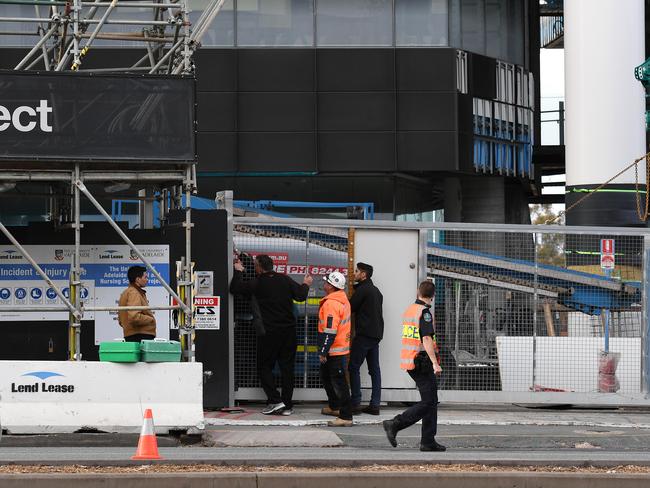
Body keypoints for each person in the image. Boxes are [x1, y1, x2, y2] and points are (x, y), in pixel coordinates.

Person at [230, 254, 313, 416]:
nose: (254, 267)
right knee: (287, 368)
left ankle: (275, 401)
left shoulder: (257, 282)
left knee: (264, 366)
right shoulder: (285, 279)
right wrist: (306, 283)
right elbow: (301, 296)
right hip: (289, 331)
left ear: (259, 267)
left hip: (268, 332)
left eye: (255, 265)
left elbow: (235, 288)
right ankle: (287, 406)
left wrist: (238, 271)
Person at [382, 280, 446, 452]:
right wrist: (435, 363)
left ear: (418, 292)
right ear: (433, 296)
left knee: (431, 401)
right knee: (428, 402)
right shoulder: (424, 313)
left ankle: (428, 441)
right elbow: (426, 339)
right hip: (421, 362)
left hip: (410, 360)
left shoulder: (410, 309)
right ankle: (395, 424)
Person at [318, 271, 353, 427]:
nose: (324, 284)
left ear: (332, 286)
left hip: (334, 349)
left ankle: (346, 416)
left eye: (326, 282)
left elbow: (330, 330)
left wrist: (324, 351)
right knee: (326, 377)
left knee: (340, 383)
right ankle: (335, 406)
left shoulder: (332, 303)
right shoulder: (341, 299)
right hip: (336, 348)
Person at [349, 262, 384, 415]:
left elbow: (350, 308)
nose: (354, 273)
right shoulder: (376, 291)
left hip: (364, 335)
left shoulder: (363, 290)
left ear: (363, 275)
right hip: (376, 335)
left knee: (353, 367)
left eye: (357, 271)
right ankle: (375, 404)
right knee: (374, 370)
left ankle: (356, 402)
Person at [118, 265, 156, 342]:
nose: (147, 280)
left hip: (134, 335)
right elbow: (134, 317)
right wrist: (151, 319)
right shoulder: (134, 292)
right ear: (138, 279)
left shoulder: (127, 292)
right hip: (140, 336)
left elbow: (120, 320)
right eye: (145, 277)